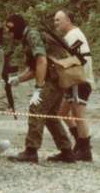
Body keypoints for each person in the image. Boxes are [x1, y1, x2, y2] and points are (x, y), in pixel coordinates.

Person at [5, 14, 74, 163]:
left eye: (10, 29)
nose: (9, 33)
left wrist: (38, 87)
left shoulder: (32, 35)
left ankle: (31, 151)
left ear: (17, 27)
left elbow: (41, 61)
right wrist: (17, 79)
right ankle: (67, 151)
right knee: (50, 116)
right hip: (57, 78)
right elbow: (33, 68)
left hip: (53, 79)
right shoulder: (28, 37)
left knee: (36, 109)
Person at [54, 10, 94, 161]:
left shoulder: (73, 36)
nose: (55, 23)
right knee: (62, 113)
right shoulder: (71, 36)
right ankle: (80, 143)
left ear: (68, 20)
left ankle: (85, 150)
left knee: (79, 115)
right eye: (55, 20)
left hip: (79, 81)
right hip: (74, 82)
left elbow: (78, 60)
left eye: (58, 20)